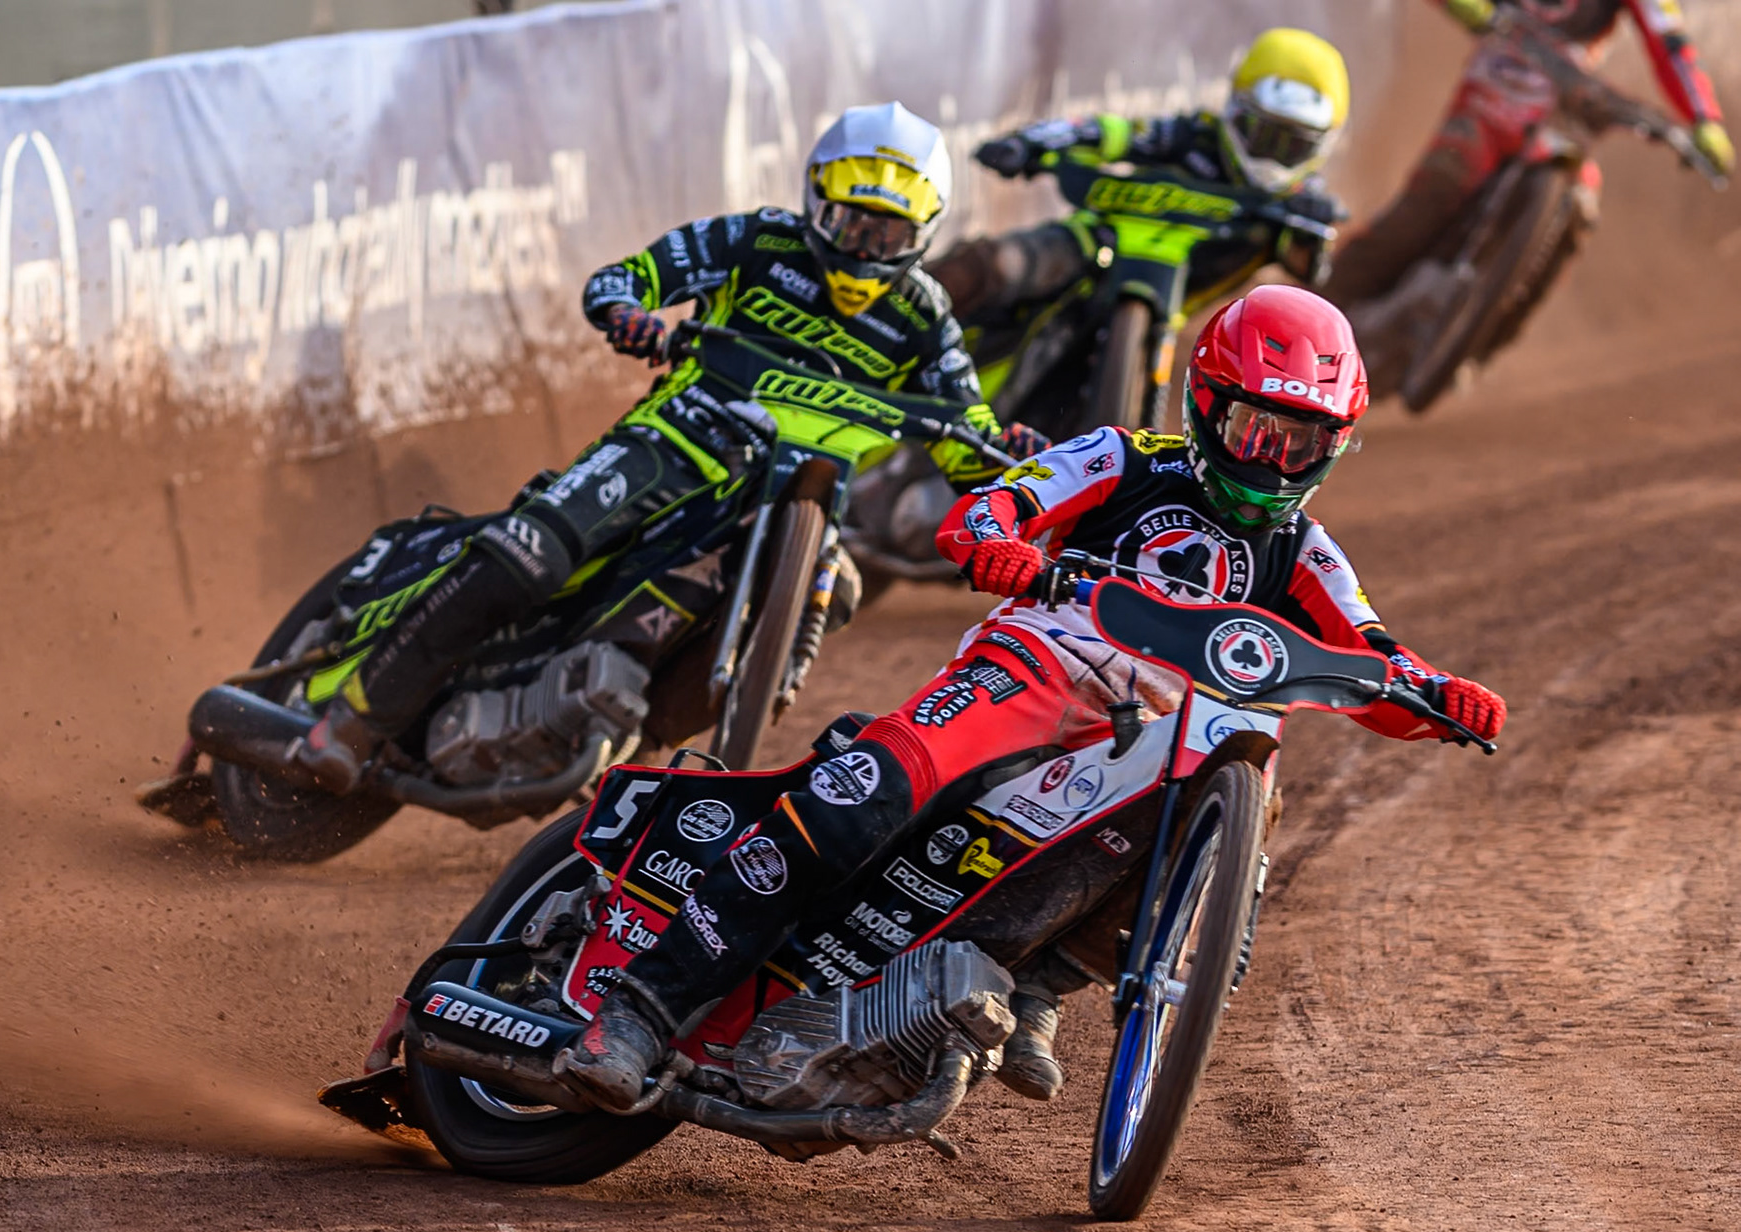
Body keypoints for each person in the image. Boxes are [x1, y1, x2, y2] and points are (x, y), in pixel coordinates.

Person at [556, 284, 1508, 1112]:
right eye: (1257, 429)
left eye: (1303, 443)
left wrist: (1438, 694)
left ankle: (1036, 981)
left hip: (1167, 735)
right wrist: (1003, 545)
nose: (1274, 462)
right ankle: (637, 1010)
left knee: (1249, 794)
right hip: (1042, 668)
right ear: (1205, 404)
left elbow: (1375, 659)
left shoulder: (1307, 551)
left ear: (1338, 445)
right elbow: (991, 509)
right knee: (870, 789)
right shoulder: (1125, 457)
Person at [295, 102, 1038, 793]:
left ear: (925, 234)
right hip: (678, 440)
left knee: (833, 588)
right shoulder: (756, 240)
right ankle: (354, 715)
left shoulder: (924, 315)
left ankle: (625, 757)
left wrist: (1011, 450)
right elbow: (625, 279)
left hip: (801, 496)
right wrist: (630, 315)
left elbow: (965, 437)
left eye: (888, 235)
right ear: (817, 202)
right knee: (533, 551)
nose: (864, 249)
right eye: (850, 224)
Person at [1326, 0, 1731, 310]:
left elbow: (1671, 44)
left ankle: (1493, 328)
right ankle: (1320, 313)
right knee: (1423, 206)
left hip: (1566, 108)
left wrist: (1704, 119)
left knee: (1580, 209)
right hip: (1493, 91)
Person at [930, 28, 1351, 326]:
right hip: (1099, 243)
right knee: (995, 265)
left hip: (1172, 312)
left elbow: (1311, 271)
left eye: (1294, 145)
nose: (1274, 156)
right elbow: (1114, 133)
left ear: (1322, 147)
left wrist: (1311, 235)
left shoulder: (1301, 203)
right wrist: (1033, 142)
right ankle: (884, 320)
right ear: (1236, 112)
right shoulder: (1191, 137)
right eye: (1264, 135)